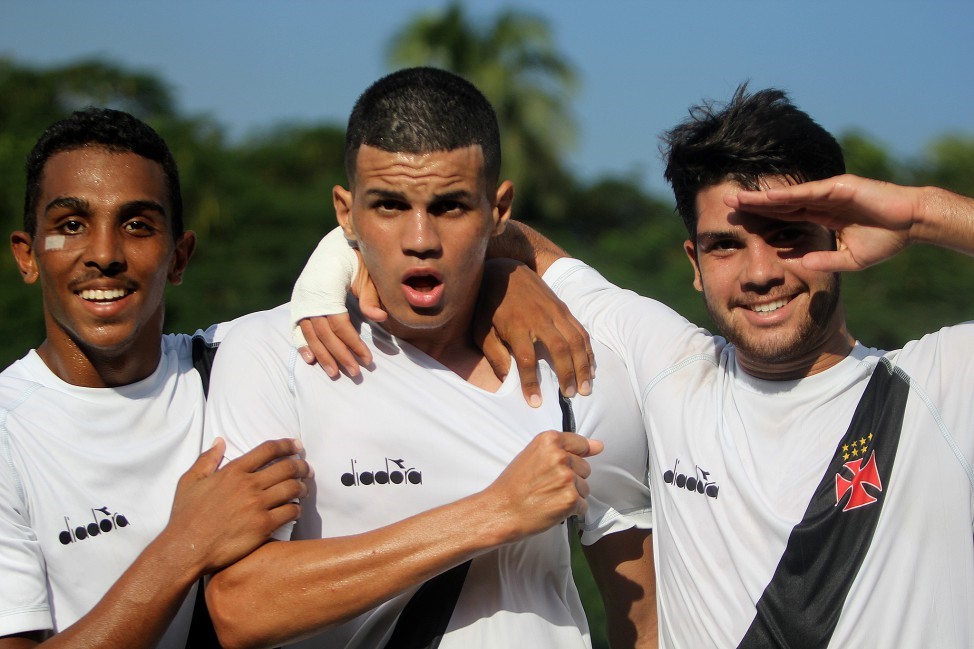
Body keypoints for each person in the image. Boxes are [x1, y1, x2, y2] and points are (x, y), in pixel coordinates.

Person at [305, 85, 974, 647]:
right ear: (692, 263)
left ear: (840, 235)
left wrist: (920, 214)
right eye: (726, 245)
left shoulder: (942, 387)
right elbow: (463, 226)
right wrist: (339, 260)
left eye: (791, 237)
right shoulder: (668, 366)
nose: (761, 272)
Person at [203, 67, 655, 649]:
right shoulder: (271, 352)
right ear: (346, 212)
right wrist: (492, 513)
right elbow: (241, 606)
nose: (420, 238)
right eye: (389, 205)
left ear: (499, 211)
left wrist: (513, 272)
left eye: (450, 206)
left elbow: (642, 620)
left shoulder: (569, 368)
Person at [0, 108, 310, 648]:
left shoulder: (235, 362)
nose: (103, 255)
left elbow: (394, 263)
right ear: (27, 257)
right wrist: (187, 544)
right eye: (71, 225)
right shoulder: (7, 431)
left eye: (137, 225)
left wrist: (509, 262)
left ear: (179, 256)